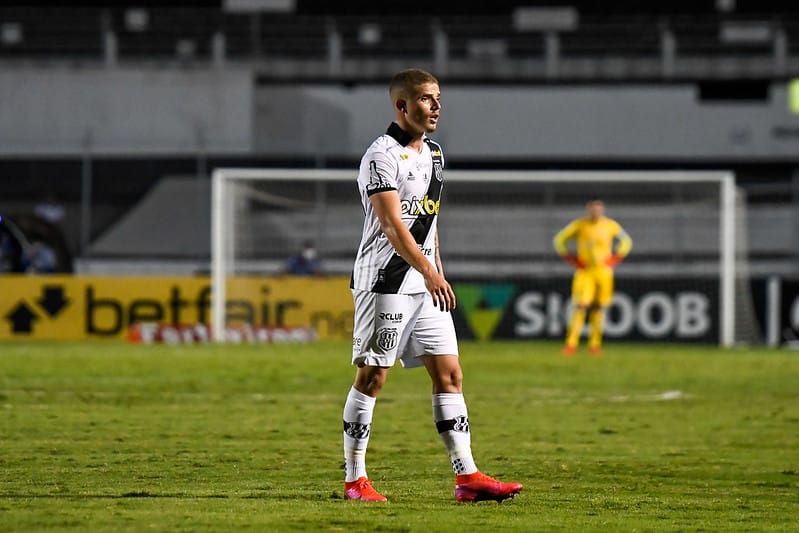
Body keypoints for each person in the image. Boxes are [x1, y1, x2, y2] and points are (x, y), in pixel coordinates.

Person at [342, 68, 523, 503]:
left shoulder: (436, 154)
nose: (437, 105)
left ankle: (467, 477)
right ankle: (354, 481)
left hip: (425, 284)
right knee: (373, 378)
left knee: (450, 374)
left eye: (438, 97)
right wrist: (430, 271)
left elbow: (429, 223)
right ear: (402, 106)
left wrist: (435, 271)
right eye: (426, 98)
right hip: (384, 282)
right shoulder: (380, 155)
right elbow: (391, 225)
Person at [553, 198, 633, 356]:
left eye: (598, 209)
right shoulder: (579, 225)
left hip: (603, 272)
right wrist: (572, 259)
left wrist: (614, 259)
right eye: (592, 210)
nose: (595, 212)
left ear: (602, 211)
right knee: (581, 305)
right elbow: (559, 240)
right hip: (585, 272)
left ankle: (595, 344)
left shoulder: (610, 225)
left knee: (598, 307)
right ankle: (571, 344)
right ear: (588, 210)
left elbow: (626, 242)